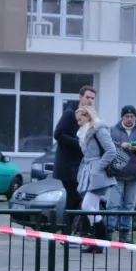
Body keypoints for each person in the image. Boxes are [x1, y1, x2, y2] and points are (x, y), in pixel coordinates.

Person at [75, 104, 117, 255]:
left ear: (88, 116)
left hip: (97, 171)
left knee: (87, 206)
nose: (78, 122)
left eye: (80, 119)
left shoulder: (99, 128)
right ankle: (96, 243)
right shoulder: (85, 131)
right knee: (93, 206)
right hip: (90, 169)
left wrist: (98, 167)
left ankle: (101, 237)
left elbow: (111, 150)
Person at [53, 85, 95, 215]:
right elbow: (59, 134)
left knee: (77, 201)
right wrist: (79, 143)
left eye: (92, 98)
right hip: (68, 167)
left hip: (80, 166)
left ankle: (73, 230)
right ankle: (66, 232)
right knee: (73, 200)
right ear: (80, 97)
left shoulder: (89, 116)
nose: (90, 101)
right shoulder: (70, 113)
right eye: (87, 97)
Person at [109, 105, 136, 242]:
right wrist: (122, 145)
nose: (130, 119)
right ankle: (109, 231)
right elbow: (108, 145)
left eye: (132, 116)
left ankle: (125, 234)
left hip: (135, 172)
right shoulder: (113, 130)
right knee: (113, 204)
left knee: (129, 205)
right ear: (122, 117)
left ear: (135, 117)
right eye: (127, 116)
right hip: (117, 172)